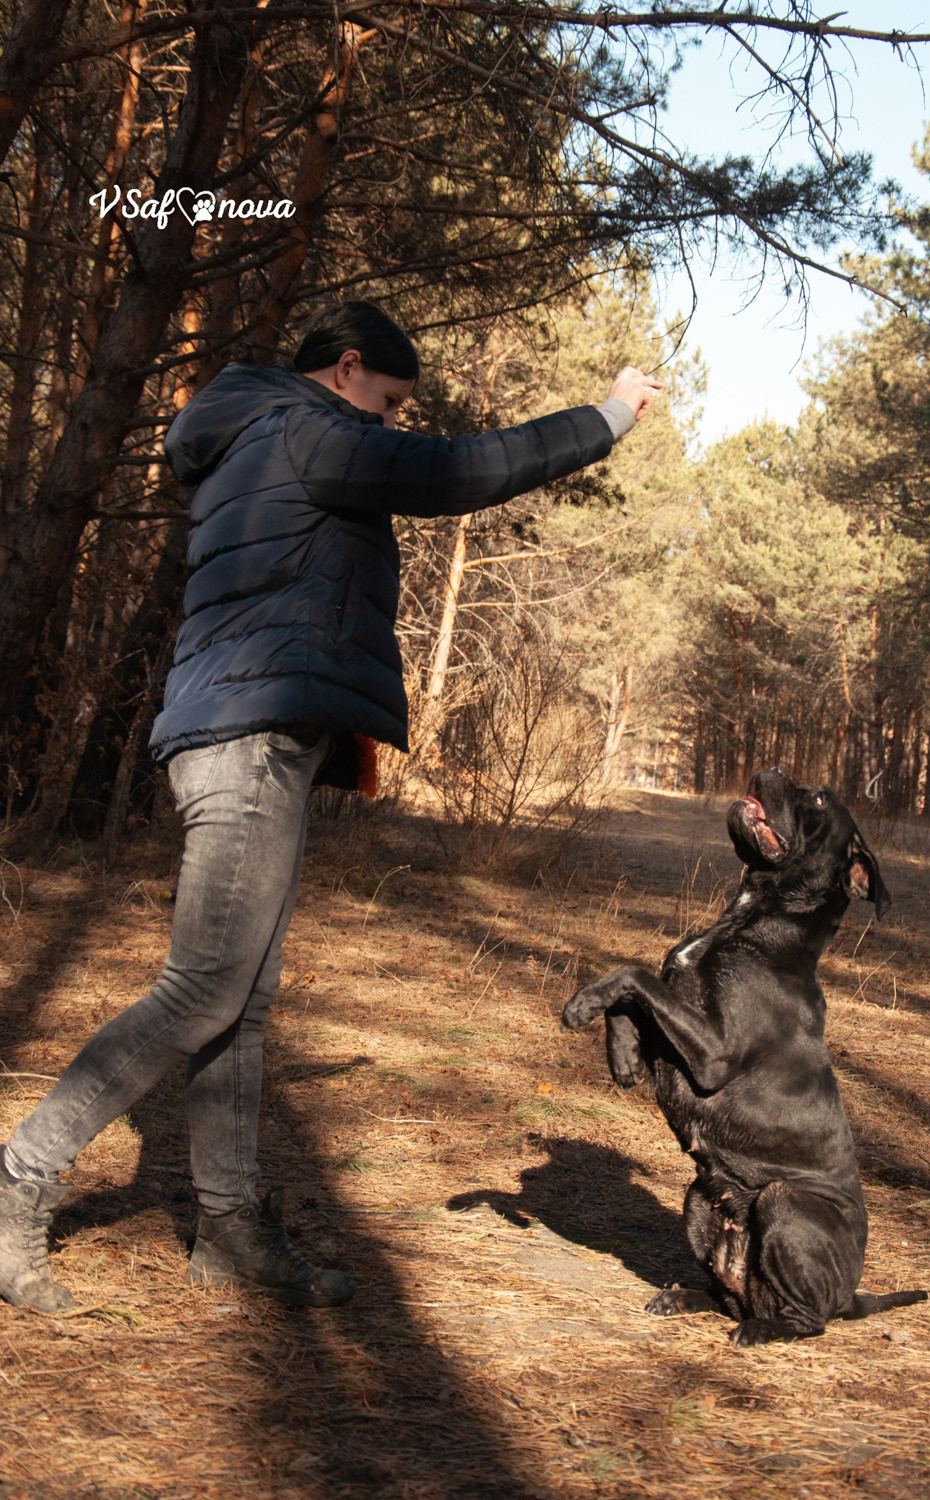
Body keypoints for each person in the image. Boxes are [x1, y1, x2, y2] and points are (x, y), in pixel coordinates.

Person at [0, 300, 660, 1313]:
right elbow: (457, 470)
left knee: (239, 1003)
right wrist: (604, 419)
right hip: (249, 737)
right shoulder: (305, 429)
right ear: (346, 370)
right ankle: (19, 1179)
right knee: (200, 992)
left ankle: (228, 1230)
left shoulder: (261, 433)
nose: (392, 424)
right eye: (389, 402)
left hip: (255, 733)